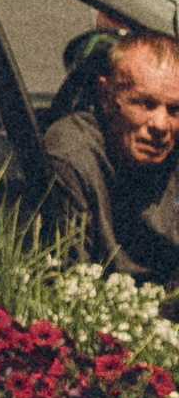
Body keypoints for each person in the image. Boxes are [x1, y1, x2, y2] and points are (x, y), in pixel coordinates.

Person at [43, 25, 179, 287]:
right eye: (145, 104)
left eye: (174, 110)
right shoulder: (74, 155)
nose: (161, 125)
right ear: (107, 97)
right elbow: (71, 281)